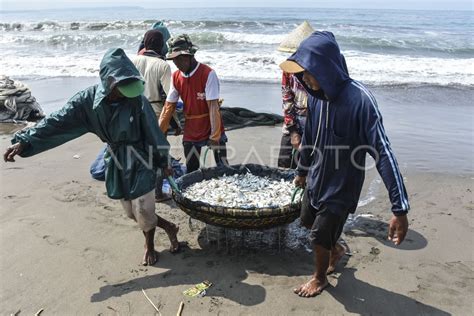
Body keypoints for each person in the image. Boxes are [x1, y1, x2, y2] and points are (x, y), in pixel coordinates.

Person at [3, 48, 180, 266]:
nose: (125, 92)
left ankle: (150, 245)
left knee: (143, 208)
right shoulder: (87, 102)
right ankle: (170, 227)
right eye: (121, 88)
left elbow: (154, 133)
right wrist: (25, 140)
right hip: (116, 158)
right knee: (131, 212)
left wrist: (165, 162)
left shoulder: (137, 100)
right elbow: (57, 121)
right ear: (108, 82)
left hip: (142, 157)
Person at [280, 31, 410, 297]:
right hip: (317, 178)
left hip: (342, 185)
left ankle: (319, 279)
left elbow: (383, 153)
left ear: (326, 68)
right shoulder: (315, 97)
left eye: (308, 72)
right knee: (306, 222)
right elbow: (310, 138)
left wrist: (400, 207)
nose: (303, 78)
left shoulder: (360, 101)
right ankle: (336, 250)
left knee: (318, 236)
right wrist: (302, 171)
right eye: (301, 73)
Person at [159, 34, 228, 173]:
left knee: (223, 166)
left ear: (188, 56)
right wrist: (159, 132)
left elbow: (213, 107)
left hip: (210, 122)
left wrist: (215, 136)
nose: (176, 63)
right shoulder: (176, 77)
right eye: (173, 60)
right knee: (191, 167)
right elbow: (169, 106)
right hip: (191, 125)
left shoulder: (208, 74)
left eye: (178, 59)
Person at [133, 29, 181, 202]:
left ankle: (139, 187)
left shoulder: (132, 60)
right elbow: (170, 97)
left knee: (140, 151)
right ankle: (158, 193)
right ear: (162, 46)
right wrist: (176, 124)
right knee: (161, 151)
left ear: (144, 43)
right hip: (156, 114)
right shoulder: (163, 65)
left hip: (135, 111)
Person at [277, 71, 308, 169]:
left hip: (317, 124)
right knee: (284, 164)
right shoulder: (289, 69)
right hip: (293, 122)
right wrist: (293, 132)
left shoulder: (324, 65)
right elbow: (287, 99)